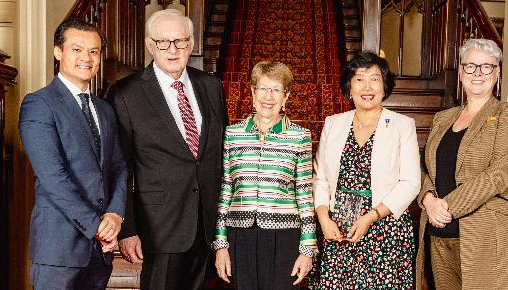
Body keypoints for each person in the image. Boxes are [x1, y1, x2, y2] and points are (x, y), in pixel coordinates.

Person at [108, 9, 228, 290]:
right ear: (151, 45)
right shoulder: (126, 94)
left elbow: (219, 156)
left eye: (180, 41)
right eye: (164, 42)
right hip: (159, 227)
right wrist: (128, 229)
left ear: (191, 43)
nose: (172, 50)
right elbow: (120, 167)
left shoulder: (211, 86)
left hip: (209, 224)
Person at [19, 19, 127, 289]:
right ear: (58, 52)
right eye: (77, 49)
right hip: (59, 250)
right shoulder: (39, 104)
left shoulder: (105, 109)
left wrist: (115, 215)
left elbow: (119, 167)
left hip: (100, 252)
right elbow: (53, 179)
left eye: (94, 51)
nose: (86, 58)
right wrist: (97, 229)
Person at [415, 38, 508, 290]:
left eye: (487, 66)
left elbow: (499, 174)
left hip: (487, 232)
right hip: (440, 234)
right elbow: (427, 170)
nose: (478, 73)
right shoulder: (443, 118)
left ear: (497, 72)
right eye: (470, 66)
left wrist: (445, 208)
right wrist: (429, 200)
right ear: (461, 72)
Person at [312, 51, 421, 289]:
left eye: (374, 78)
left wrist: (371, 217)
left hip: (384, 227)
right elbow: (320, 178)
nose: (367, 86)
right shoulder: (333, 123)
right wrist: (323, 218)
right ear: (349, 87)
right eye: (359, 78)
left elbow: (411, 182)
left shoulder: (403, 125)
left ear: (384, 86)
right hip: (338, 228)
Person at [211, 61, 316, 289]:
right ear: (252, 91)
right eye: (263, 88)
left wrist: (307, 248)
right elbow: (226, 189)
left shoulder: (300, 137)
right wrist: (220, 244)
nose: (269, 96)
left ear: (286, 96)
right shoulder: (232, 134)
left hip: (285, 236)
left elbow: (305, 195)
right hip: (240, 235)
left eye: (276, 89)